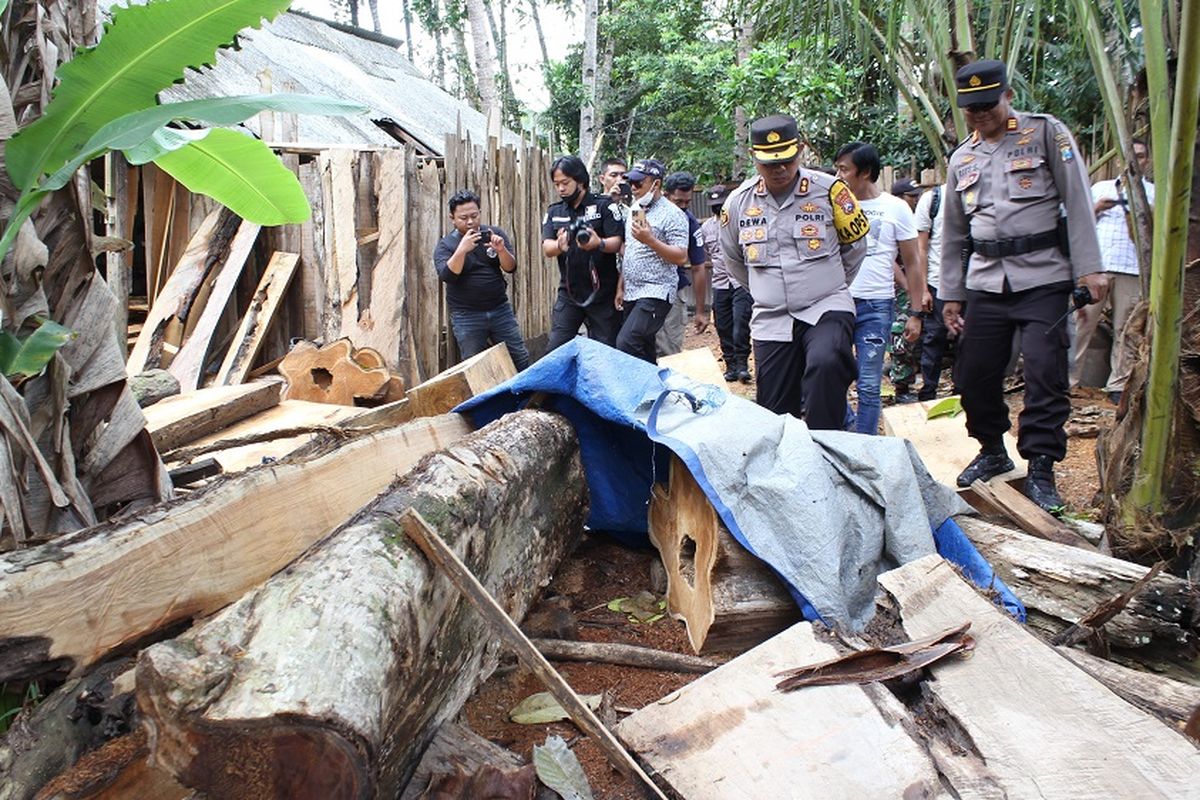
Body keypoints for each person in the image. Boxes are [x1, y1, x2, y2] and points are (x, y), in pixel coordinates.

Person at [940, 59, 1107, 513]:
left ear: (1007, 95)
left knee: (1043, 372)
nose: (980, 115)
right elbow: (954, 232)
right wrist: (950, 294)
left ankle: (1040, 466)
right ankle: (992, 448)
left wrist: (1090, 269)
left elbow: (1078, 199)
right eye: (971, 109)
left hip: (1043, 277)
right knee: (973, 373)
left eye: (988, 105)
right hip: (986, 283)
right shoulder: (962, 158)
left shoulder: (1046, 134)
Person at [720, 114, 869, 430]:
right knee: (776, 415)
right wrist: (765, 290)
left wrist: (831, 285)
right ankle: (791, 470)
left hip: (826, 306)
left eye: (787, 159)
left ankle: (828, 448)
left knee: (827, 363)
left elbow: (855, 248)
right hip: (771, 318)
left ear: (800, 149)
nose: (780, 168)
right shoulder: (737, 204)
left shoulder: (831, 191)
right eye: (770, 163)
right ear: (753, 158)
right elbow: (733, 259)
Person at [834, 143, 926, 434]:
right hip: (837, 303)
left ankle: (866, 447)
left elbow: (912, 262)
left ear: (866, 172)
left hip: (876, 305)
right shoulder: (834, 204)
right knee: (830, 375)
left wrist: (915, 312)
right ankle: (846, 429)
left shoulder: (896, 208)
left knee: (869, 384)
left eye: (844, 169)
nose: (838, 175)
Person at [1071, 139, 1154, 404]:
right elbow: (1076, 224)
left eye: (1141, 157)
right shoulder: (1099, 189)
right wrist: (1095, 209)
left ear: (1148, 161)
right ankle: (1067, 381)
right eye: (1131, 156)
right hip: (1096, 268)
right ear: (1119, 160)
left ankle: (1118, 385)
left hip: (1132, 268)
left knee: (1127, 328)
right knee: (1080, 325)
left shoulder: (1153, 193)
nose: (1135, 161)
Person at [433, 190, 530, 369]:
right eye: (463, 218)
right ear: (452, 218)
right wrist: (462, 250)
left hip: (500, 309)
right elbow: (448, 276)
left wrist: (501, 250)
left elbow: (511, 267)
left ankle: (528, 396)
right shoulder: (446, 245)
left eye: (474, 216)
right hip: (466, 315)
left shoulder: (494, 234)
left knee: (519, 357)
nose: (470, 222)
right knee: (475, 366)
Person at [541, 156, 626, 351]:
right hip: (570, 291)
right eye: (556, 184)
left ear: (580, 180)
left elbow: (618, 242)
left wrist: (599, 243)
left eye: (565, 183)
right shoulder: (554, 211)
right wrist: (560, 246)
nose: (561, 189)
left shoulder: (604, 205)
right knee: (555, 350)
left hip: (603, 293)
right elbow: (547, 247)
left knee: (606, 352)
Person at [615, 158, 690, 362]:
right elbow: (633, 249)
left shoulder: (673, 214)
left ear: (656, 184)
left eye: (638, 183)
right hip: (633, 291)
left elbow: (681, 256)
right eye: (631, 183)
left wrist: (651, 240)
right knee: (645, 350)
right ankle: (652, 391)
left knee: (626, 343)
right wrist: (621, 286)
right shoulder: (637, 208)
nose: (633, 188)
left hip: (656, 290)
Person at [702, 185, 753, 382]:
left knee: (741, 324)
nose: (718, 209)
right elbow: (706, 253)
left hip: (740, 282)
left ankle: (742, 365)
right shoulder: (706, 228)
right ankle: (730, 366)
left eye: (721, 205)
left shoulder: (741, 223)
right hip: (720, 283)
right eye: (714, 206)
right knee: (723, 325)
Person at [658, 171, 710, 356]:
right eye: (678, 202)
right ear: (665, 195)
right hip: (642, 291)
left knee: (669, 351)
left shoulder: (690, 222)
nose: (683, 207)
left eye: (687, 202)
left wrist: (700, 311)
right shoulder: (645, 214)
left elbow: (698, 267)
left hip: (673, 290)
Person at [886, 177, 925, 401]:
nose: (916, 200)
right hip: (894, 286)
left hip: (911, 285)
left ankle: (902, 377)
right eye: (912, 196)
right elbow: (888, 258)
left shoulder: (910, 218)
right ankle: (902, 388)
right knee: (901, 332)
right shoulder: (893, 215)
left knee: (910, 334)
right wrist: (908, 286)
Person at [914, 177, 952, 401]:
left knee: (968, 342)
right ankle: (928, 392)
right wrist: (924, 289)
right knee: (934, 339)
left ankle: (963, 393)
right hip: (938, 283)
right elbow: (921, 248)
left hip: (973, 283)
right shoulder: (933, 199)